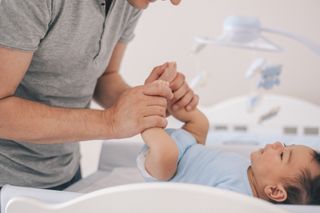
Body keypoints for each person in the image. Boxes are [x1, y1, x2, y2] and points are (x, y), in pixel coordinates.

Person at [0, 0, 197, 190]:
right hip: (7, 180)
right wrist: (111, 121)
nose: (175, 2)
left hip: (65, 172)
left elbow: (104, 77)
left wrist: (150, 103)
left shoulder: (129, 3)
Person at [137, 81, 320, 205]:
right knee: (201, 124)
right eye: (287, 145)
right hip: (188, 146)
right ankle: (174, 96)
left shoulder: (237, 199)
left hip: (165, 170)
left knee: (167, 154)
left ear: (274, 191)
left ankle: (142, 114)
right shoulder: (251, 172)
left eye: (282, 155)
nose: (279, 144)